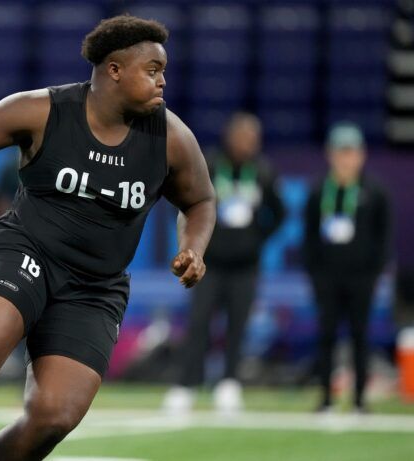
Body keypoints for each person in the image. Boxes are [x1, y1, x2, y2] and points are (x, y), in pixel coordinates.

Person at [0, 15, 215, 461]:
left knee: (55, 415)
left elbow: (201, 200)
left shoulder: (170, 136)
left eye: (163, 71)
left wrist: (193, 247)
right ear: (114, 70)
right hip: (26, 253)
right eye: (152, 70)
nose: (162, 82)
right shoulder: (44, 110)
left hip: (96, 287)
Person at [163, 113, 285, 413]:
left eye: (253, 138)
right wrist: (195, 243)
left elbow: (279, 213)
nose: (248, 144)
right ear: (230, 136)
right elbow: (182, 202)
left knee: (237, 325)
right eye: (243, 137)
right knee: (199, 323)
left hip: (245, 266)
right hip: (210, 264)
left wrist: (255, 238)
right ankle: (186, 385)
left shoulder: (263, 172)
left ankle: (229, 383)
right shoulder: (210, 165)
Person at [303, 122, 392, 413]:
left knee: (359, 336)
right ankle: (326, 398)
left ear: (361, 155)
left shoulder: (374, 191)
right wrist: (315, 275)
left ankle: (359, 400)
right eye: (341, 153)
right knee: (326, 335)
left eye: (351, 152)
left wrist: (374, 273)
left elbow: (383, 236)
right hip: (327, 276)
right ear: (331, 154)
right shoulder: (319, 191)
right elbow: (309, 237)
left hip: (361, 277)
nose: (346, 159)